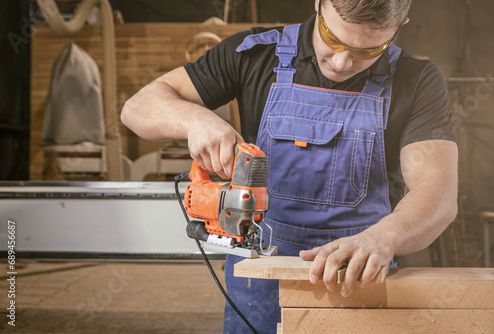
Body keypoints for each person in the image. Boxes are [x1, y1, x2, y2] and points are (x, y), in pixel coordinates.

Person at [121, 0, 458, 332]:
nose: (342, 62)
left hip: (357, 275)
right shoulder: (256, 53)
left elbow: (437, 190)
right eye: (334, 39)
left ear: (399, 27)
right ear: (319, 4)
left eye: (368, 51)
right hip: (259, 273)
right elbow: (138, 107)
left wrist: (385, 238)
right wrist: (194, 119)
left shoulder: (417, 80)